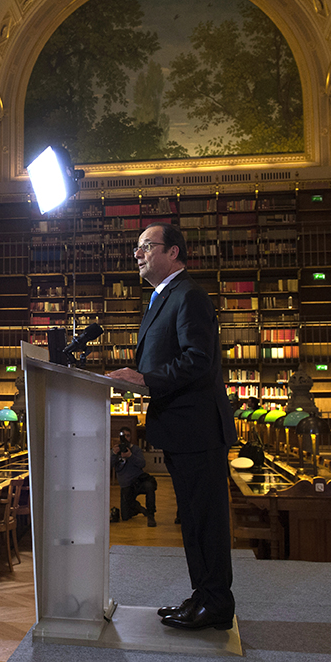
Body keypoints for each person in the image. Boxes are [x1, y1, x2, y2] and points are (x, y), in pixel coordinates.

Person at [108, 222, 236, 632]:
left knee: (206, 520)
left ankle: (216, 602)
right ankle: (204, 597)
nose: (138, 253)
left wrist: (145, 379)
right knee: (194, 520)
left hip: (197, 428)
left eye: (147, 246)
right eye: (137, 247)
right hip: (182, 428)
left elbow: (198, 359)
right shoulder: (162, 298)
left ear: (174, 252)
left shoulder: (190, 296)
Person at [111, 428, 157, 527]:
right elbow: (108, 466)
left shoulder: (135, 449)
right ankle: (138, 508)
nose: (126, 438)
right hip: (126, 486)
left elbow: (142, 464)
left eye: (128, 435)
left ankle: (151, 515)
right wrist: (114, 454)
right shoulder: (115, 450)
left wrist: (130, 456)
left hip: (138, 482)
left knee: (149, 486)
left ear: (130, 437)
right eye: (123, 436)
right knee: (125, 516)